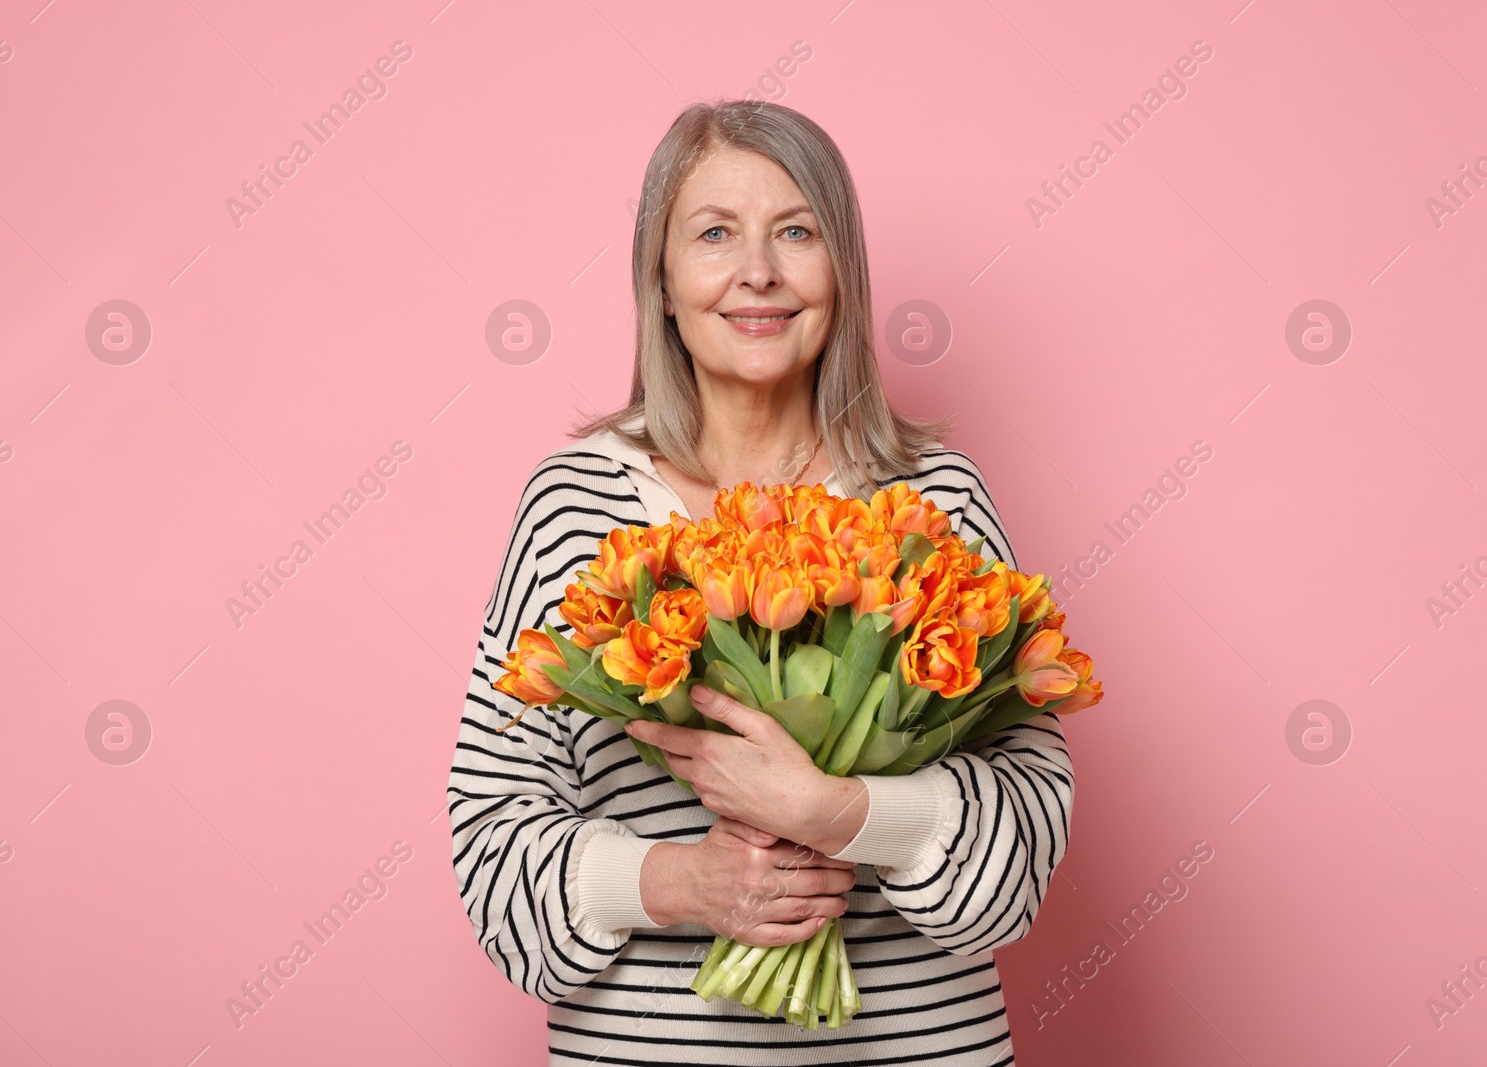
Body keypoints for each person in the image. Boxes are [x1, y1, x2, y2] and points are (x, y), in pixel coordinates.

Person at [447, 99, 1074, 1065]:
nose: (759, 272)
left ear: (843, 274)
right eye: (713, 234)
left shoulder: (933, 503)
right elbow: (492, 841)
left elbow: (1026, 843)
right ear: (660, 280)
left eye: (796, 231)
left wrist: (843, 813)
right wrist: (683, 883)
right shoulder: (572, 505)